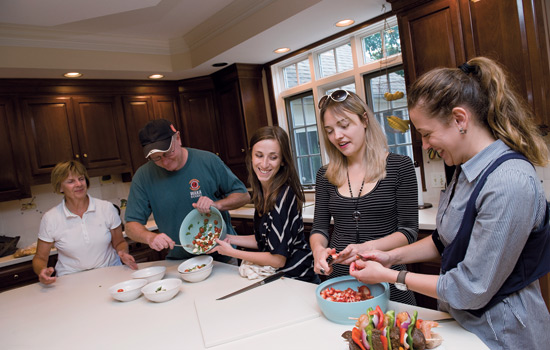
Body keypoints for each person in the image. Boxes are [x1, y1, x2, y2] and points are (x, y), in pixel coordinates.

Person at [349, 57, 550, 349]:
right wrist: (389, 257)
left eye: (427, 134)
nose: (426, 145)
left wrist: (392, 276)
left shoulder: (508, 182)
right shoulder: (463, 171)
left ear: (459, 119)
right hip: (463, 323)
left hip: (501, 334)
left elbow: (470, 289)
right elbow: (445, 242)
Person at [310, 89, 419, 304]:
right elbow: (319, 229)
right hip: (339, 283)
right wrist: (318, 251)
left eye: (344, 125)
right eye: (329, 130)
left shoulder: (400, 166)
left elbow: (408, 232)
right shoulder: (325, 175)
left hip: (388, 279)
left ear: (365, 120)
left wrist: (367, 247)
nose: (337, 136)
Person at [124, 119, 250, 261]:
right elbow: (130, 225)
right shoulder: (143, 176)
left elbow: (243, 196)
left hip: (223, 256)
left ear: (178, 138)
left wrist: (217, 205)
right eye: (156, 158)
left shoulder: (208, 161)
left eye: (168, 153)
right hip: (179, 262)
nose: (165, 162)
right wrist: (150, 237)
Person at [209, 126, 319, 283]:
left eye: (273, 157)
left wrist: (232, 253)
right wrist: (229, 239)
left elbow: (277, 260)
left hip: (297, 280)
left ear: (282, 161)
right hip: (281, 279)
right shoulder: (263, 193)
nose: (265, 164)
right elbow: (265, 240)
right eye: (259, 155)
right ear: (251, 157)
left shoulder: (283, 196)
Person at [33, 161, 137, 285]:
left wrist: (123, 253)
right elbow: (40, 257)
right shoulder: (50, 218)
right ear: (60, 187)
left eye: (81, 179)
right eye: (71, 181)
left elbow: (119, 242)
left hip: (110, 273)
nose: (79, 184)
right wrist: (42, 271)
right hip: (71, 281)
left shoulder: (106, 208)